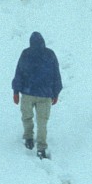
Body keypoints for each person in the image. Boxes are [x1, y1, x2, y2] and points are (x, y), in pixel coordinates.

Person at [11, 31, 62, 159]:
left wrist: (16, 91)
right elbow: (56, 75)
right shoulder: (50, 54)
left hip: (28, 93)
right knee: (42, 122)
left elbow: (19, 73)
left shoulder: (26, 53)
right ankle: (41, 148)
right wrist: (56, 92)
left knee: (27, 117)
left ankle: (28, 138)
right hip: (45, 95)